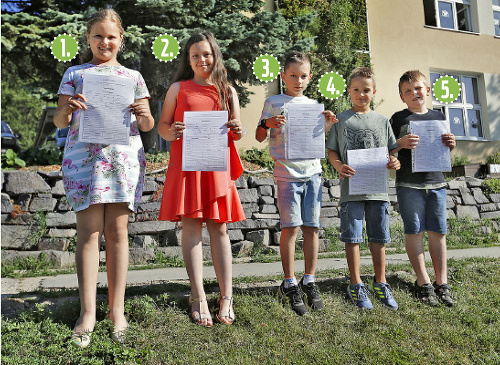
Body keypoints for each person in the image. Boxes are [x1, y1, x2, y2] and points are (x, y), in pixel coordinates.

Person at [53, 9, 154, 348]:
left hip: (122, 160)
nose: (105, 41)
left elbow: (148, 126)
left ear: (120, 40)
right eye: (98, 35)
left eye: (111, 36)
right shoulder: (75, 73)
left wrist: (144, 114)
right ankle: (87, 313)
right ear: (88, 39)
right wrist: (70, 109)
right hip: (85, 161)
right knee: (89, 234)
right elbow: (58, 120)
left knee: (117, 233)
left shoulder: (133, 77)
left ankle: (117, 312)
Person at [157, 30, 245, 327]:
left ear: (215, 55)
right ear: (188, 59)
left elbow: (238, 131)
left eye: (206, 54)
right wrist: (172, 133)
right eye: (195, 55)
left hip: (216, 166)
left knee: (219, 230)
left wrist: (237, 129)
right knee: (192, 228)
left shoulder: (226, 91)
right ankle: (198, 297)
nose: (201, 60)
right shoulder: (177, 89)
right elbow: (163, 127)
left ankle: (227, 297)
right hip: (188, 165)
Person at [256, 52, 337, 316]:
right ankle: (289, 282)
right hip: (286, 174)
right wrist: (268, 123)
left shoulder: (314, 105)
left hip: (313, 173)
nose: (298, 81)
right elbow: (259, 136)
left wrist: (325, 124)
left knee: (312, 227)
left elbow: (315, 141)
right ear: (283, 76)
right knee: (291, 228)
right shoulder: (273, 101)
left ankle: (309, 279)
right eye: (293, 75)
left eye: (303, 76)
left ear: (310, 78)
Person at [326, 67, 400, 310]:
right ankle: (356, 283)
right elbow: (332, 151)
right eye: (356, 90)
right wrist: (338, 165)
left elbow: (390, 151)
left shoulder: (382, 121)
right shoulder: (341, 119)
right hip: (352, 189)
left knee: (378, 237)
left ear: (374, 92)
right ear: (349, 92)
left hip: (378, 189)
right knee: (353, 237)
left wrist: (394, 161)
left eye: (366, 90)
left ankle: (381, 281)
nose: (361, 94)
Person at [390, 70, 455, 307]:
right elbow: (387, 150)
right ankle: (423, 280)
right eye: (408, 91)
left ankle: (442, 282)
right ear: (402, 97)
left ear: (427, 90)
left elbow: (445, 150)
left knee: (438, 232)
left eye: (418, 88)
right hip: (409, 183)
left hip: (436, 182)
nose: (414, 93)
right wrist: (399, 144)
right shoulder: (398, 119)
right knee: (414, 231)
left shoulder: (439, 116)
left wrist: (451, 144)